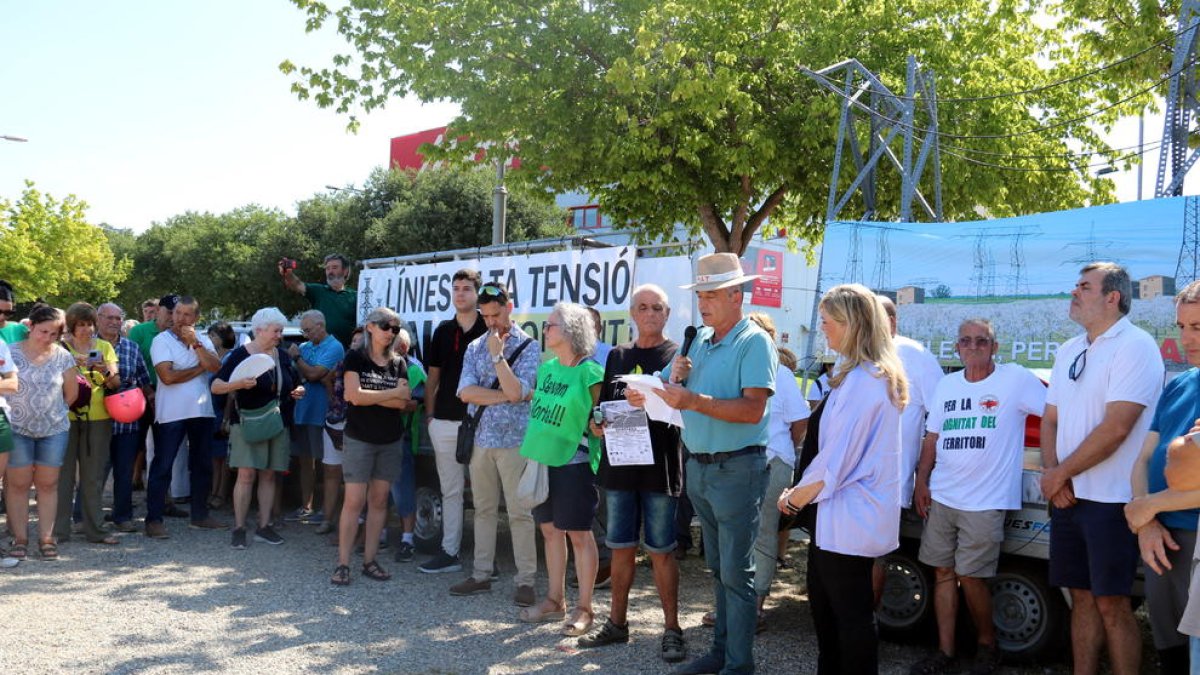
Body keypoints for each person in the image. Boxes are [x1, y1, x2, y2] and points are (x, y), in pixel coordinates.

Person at [628, 253, 777, 675]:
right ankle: (721, 654)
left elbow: (752, 410)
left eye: (711, 295)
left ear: (736, 296)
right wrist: (649, 392)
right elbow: (673, 394)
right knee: (719, 570)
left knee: (736, 573)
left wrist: (693, 400)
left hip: (737, 468)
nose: (703, 303)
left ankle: (738, 665)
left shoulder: (754, 342)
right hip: (700, 467)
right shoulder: (699, 340)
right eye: (700, 295)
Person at [1041, 262, 1164, 675]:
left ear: (1113, 297)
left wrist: (1059, 475)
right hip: (1069, 497)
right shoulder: (1069, 349)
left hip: (1113, 501)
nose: (1074, 292)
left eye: (1084, 287)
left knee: (1113, 603)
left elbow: (1116, 428)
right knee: (1080, 598)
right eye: (1076, 285)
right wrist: (1054, 474)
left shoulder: (1135, 345)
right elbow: (1051, 420)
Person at [778, 284, 907, 675]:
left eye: (827, 321)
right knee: (829, 616)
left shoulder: (867, 381)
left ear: (851, 325)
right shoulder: (855, 376)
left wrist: (795, 499)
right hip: (838, 519)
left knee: (848, 621)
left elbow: (836, 460)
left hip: (850, 521)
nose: (822, 329)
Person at [910, 319, 1046, 675]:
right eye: (966, 341)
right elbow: (931, 438)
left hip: (986, 501)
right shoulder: (947, 385)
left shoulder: (1015, 380)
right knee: (942, 572)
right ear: (957, 347)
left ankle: (987, 646)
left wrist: (1058, 464)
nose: (973, 347)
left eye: (981, 341)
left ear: (994, 347)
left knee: (971, 576)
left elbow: (1056, 414)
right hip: (943, 496)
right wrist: (922, 481)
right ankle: (945, 652)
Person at [576, 284, 687, 663]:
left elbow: (683, 409)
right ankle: (617, 623)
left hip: (660, 468)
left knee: (661, 552)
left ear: (667, 314)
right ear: (632, 314)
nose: (650, 313)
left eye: (657, 307)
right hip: (620, 466)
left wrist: (651, 397)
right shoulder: (617, 355)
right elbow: (603, 407)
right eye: (643, 307)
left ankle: (672, 629)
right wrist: (596, 423)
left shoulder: (679, 357)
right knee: (620, 547)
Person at [1123, 279, 1200, 674]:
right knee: (1171, 652)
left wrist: (1147, 507)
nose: (1187, 339)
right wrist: (1147, 523)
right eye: (1182, 326)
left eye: (1197, 327)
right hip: (1160, 538)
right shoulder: (1180, 384)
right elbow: (1143, 459)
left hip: (1194, 536)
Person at [449, 282, 541, 607]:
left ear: (509, 308)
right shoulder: (474, 346)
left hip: (515, 441)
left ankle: (526, 580)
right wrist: (508, 395)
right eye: (485, 316)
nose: (491, 322)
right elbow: (466, 393)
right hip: (480, 440)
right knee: (483, 510)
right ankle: (481, 575)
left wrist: (498, 357)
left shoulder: (529, 346)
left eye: (495, 314)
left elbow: (519, 390)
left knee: (519, 512)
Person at [516, 302, 604, 637]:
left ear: (571, 331)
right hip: (542, 459)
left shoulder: (590, 372)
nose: (545, 330)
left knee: (579, 534)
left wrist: (599, 426)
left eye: (550, 325)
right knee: (550, 531)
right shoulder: (548, 368)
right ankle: (555, 601)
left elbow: (602, 418)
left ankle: (585, 609)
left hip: (575, 462)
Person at [331, 308, 411, 585]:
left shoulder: (399, 362)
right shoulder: (355, 357)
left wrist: (372, 396)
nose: (390, 332)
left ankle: (369, 560)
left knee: (379, 501)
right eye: (385, 326)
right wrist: (391, 393)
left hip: (390, 439)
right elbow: (353, 396)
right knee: (354, 501)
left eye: (395, 328)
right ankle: (343, 563)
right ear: (370, 327)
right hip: (360, 438)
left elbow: (402, 403)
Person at [213, 308, 304, 549]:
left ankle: (264, 526)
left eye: (280, 331)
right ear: (260, 330)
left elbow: (295, 383)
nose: (280, 336)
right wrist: (238, 384)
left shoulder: (282, 355)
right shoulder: (240, 355)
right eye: (276, 331)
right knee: (246, 475)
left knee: (269, 474)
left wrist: (298, 391)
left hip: (277, 421)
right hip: (248, 422)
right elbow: (216, 386)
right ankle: (239, 528)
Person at [419, 268, 487, 574]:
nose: (460, 293)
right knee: (451, 491)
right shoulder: (443, 331)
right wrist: (430, 416)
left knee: (485, 495)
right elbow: (433, 377)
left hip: (481, 422)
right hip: (444, 421)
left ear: (477, 293)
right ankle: (450, 552)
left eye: (466, 288)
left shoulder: (489, 327)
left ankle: (485, 560)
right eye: (456, 288)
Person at [746, 312, 808, 629]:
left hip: (772, 462)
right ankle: (737, 605)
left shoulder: (781, 374)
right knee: (737, 535)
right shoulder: (740, 368)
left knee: (763, 533)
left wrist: (785, 449)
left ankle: (755, 606)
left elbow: (800, 420)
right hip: (742, 462)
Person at [146, 296, 226, 538]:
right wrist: (200, 367)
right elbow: (168, 377)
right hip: (171, 413)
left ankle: (200, 515)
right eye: (177, 313)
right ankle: (154, 520)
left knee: (202, 465)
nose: (180, 318)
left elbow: (216, 367)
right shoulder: (161, 340)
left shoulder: (201, 339)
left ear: (196, 318)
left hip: (201, 411)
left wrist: (196, 346)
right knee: (163, 465)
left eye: (186, 314)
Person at [5, 305, 79, 560]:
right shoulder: (10, 352)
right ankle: (20, 538)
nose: (47, 338)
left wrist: (52, 413)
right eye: (43, 331)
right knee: (18, 485)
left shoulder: (63, 356)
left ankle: (46, 539)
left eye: (53, 333)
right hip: (17, 428)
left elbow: (72, 394)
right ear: (31, 326)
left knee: (48, 485)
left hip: (53, 429)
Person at [55, 302, 121, 545]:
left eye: (90, 324)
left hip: (98, 418)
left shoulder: (104, 347)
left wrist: (103, 370)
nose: (86, 329)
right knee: (63, 477)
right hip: (64, 417)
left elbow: (115, 384)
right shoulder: (59, 349)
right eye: (81, 324)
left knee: (93, 477)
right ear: (71, 326)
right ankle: (58, 531)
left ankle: (96, 530)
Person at [285, 310, 344, 523]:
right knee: (304, 460)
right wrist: (306, 370)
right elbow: (299, 375)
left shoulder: (334, 347)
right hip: (302, 411)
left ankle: (328, 511)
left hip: (323, 412)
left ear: (321, 326)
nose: (305, 334)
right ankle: (306, 506)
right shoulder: (305, 346)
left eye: (308, 330)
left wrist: (298, 359)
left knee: (328, 464)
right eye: (303, 331)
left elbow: (313, 374)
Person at [98, 303, 152, 532]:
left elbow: (144, 379)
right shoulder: (88, 345)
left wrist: (151, 399)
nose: (114, 322)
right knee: (95, 472)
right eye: (109, 317)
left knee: (124, 470)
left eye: (118, 318)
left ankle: (123, 516)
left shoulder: (131, 347)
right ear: (98, 319)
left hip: (127, 420)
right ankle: (84, 517)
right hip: (96, 419)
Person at [316, 327, 364, 536]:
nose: (356, 344)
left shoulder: (371, 367)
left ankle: (350, 526)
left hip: (357, 426)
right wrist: (334, 400)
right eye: (354, 340)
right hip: (334, 422)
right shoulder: (342, 364)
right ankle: (328, 519)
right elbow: (326, 379)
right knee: (331, 472)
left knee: (354, 477)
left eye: (361, 340)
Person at [128, 294, 176, 494]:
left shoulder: (179, 335)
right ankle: (130, 487)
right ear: (158, 311)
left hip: (170, 395)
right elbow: (131, 363)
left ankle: (162, 497)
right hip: (141, 395)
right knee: (134, 444)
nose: (173, 317)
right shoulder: (140, 331)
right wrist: (147, 392)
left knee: (165, 448)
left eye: (177, 313)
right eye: (170, 312)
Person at [389, 327, 425, 563]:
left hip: (401, 437)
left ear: (402, 347)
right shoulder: (383, 366)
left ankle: (407, 540)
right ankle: (380, 535)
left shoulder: (413, 370)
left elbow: (411, 403)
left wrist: (379, 400)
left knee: (403, 490)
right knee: (379, 489)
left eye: (390, 343)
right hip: (380, 435)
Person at [279, 253, 357, 348]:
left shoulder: (355, 296)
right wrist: (288, 273)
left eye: (334, 267)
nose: (330, 271)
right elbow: (296, 284)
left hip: (347, 351)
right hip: (320, 351)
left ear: (345, 271)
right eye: (327, 268)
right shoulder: (318, 291)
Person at [206, 321, 237, 510]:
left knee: (224, 456)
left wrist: (226, 418)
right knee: (214, 455)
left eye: (213, 336)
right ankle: (213, 490)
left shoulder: (231, 358)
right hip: (210, 411)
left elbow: (232, 391)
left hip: (223, 410)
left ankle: (221, 493)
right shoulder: (211, 357)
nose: (210, 339)